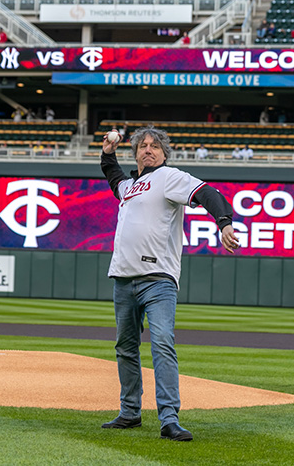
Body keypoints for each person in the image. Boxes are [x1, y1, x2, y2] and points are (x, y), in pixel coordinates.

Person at [99, 127, 238, 441]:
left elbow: (207, 194)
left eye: (155, 146)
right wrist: (108, 151)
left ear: (164, 153)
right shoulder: (129, 186)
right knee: (125, 348)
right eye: (143, 146)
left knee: (161, 342)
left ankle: (169, 419)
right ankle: (130, 412)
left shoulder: (169, 177)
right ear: (135, 153)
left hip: (158, 280)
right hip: (123, 278)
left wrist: (224, 222)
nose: (148, 150)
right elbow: (111, 174)